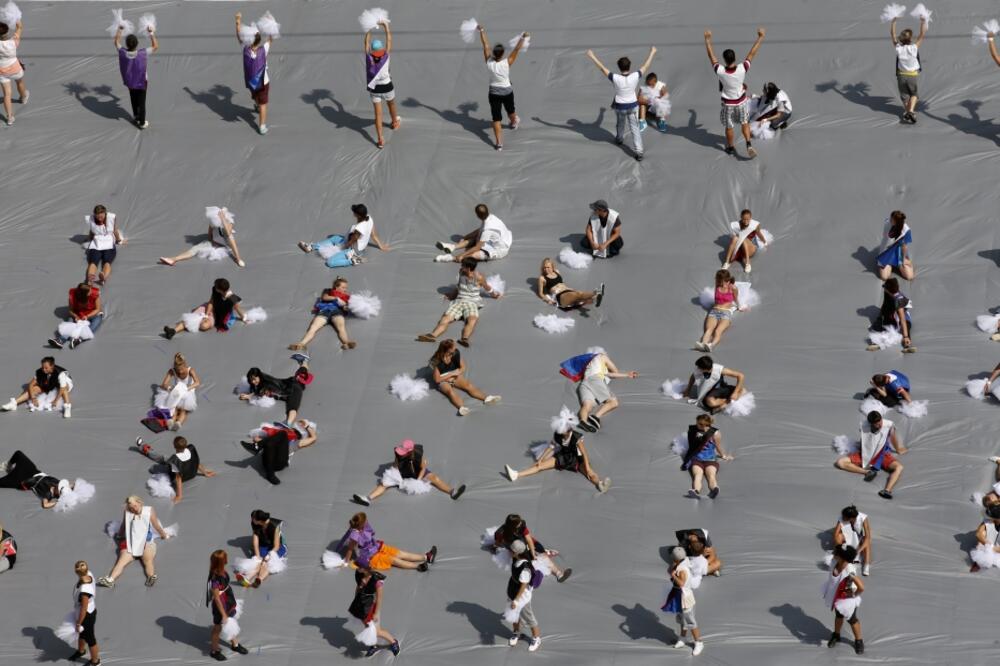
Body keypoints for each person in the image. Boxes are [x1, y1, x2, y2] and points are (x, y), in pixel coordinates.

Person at [584, 46, 657, 160]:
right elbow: (646, 66)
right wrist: (652, 52)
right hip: (633, 106)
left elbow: (602, 68)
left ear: (619, 67)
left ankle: (619, 139)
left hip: (620, 107)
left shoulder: (615, 78)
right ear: (629, 66)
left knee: (620, 124)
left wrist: (592, 56)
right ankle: (639, 152)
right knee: (635, 129)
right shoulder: (635, 76)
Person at [703, 28, 765, 157]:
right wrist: (760, 37)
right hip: (741, 101)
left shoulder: (720, 71)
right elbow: (752, 53)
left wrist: (707, 39)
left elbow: (711, 56)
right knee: (745, 123)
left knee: (729, 127)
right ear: (735, 58)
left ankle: (731, 148)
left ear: (724, 60)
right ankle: (748, 144)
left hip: (728, 104)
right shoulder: (742, 69)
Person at [352, 438, 466, 506]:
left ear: (410, 451)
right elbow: (395, 464)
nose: (402, 453)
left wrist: (417, 480)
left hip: (417, 473)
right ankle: (367, 499)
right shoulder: (398, 453)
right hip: (402, 472)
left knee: (435, 478)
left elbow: (423, 468)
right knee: (384, 484)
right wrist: (394, 475)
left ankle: (452, 492)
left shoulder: (418, 454)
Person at [417, 258, 501, 347]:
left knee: (472, 319)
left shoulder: (479, 277)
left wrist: (494, 295)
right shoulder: (461, 272)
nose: (461, 267)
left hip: (472, 302)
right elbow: (458, 287)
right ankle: (432, 335)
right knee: (446, 318)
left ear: (468, 268)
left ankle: (464, 339)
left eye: (463, 265)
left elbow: (487, 287)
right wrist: (452, 295)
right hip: (459, 301)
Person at [504, 424, 611, 493]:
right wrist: (541, 459)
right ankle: (516, 475)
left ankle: (600, 484)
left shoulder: (577, 436)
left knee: (589, 472)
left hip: (577, 459)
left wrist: (587, 466)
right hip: (563, 457)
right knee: (539, 466)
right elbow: (551, 446)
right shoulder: (558, 435)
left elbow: (584, 453)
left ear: (568, 430)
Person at [97, 496, 171, 588]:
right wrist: (120, 534)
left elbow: (156, 525)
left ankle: (151, 577)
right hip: (130, 544)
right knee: (121, 562)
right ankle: (110, 580)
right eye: (131, 508)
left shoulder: (149, 510)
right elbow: (124, 525)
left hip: (146, 542)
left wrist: (163, 534)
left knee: (148, 561)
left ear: (140, 503)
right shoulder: (127, 511)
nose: (134, 509)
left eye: (135, 506)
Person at [834, 411, 908, 500]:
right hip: (866, 454)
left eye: (880, 422)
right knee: (840, 462)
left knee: (899, 467)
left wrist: (898, 449)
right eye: (876, 424)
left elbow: (893, 438)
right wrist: (861, 448)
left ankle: (887, 490)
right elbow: (865, 438)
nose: (879, 425)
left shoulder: (889, 425)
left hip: (883, 455)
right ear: (871, 424)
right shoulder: (864, 425)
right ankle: (867, 472)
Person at [559, 349, 638, 432]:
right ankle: (595, 417)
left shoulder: (591, 366)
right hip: (595, 380)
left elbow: (610, 374)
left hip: (584, 384)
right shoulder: (602, 356)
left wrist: (626, 375)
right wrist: (627, 374)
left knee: (587, 406)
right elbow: (615, 371)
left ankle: (583, 421)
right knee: (613, 402)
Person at [478, 26, 528, 150]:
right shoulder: (508, 62)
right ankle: (514, 122)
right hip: (507, 91)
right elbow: (517, 49)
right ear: (502, 54)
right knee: (510, 110)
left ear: (493, 53)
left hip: (494, 93)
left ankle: (499, 143)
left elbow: (485, 45)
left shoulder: (489, 62)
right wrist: (523, 37)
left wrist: (482, 31)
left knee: (496, 118)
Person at [296, 204, 390, 268]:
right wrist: (381, 246)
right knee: (334, 238)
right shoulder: (369, 218)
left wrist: (340, 248)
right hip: (349, 241)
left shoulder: (359, 228)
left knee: (330, 262)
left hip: (352, 250)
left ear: (358, 215)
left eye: (354, 212)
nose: (353, 213)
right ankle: (310, 247)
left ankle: (353, 260)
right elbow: (374, 234)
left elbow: (351, 242)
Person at [424, 339, 500, 416]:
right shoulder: (436, 360)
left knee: (468, 385)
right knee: (450, 391)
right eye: (453, 346)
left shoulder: (456, 353)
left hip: (454, 374)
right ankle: (462, 408)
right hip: (442, 378)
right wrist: (451, 375)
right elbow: (437, 379)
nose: (455, 346)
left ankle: (487, 398)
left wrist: (455, 374)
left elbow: (463, 367)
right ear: (448, 349)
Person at [341, 512, 436, 571]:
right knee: (393, 560)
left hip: (377, 546)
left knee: (399, 553)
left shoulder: (365, 526)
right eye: (365, 520)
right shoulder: (355, 536)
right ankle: (418, 566)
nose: (367, 521)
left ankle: (426, 557)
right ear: (361, 524)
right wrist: (346, 562)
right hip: (371, 556)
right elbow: (350, 550)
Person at [492, 514, 572, 582]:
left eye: (520, 522)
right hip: (518, 548)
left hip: (528, 542)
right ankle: (544, 558)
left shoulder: (522, 525)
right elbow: (499, 544)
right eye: (518, 523)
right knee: (531, 562)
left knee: (543, 555)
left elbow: (529, 540)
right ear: (513, 526)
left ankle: (559, 574)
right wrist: (495, 547)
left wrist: (533, 553)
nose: (521, 523)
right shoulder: (501, 533)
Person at [159, 207, 246, 268]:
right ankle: (173, 259)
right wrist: (212, 242)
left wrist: (223, 219)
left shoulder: (230, 222)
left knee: (230, 237)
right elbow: (209, 235)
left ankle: (238, 259)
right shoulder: (213, 222)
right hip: (215, 242)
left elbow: (227, 232)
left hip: (226, 243)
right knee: (195, 249)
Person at [140, 435, 215, 504]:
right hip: (192, 474)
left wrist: (179, 496)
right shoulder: (191, 449)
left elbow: (178, 478)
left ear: (174, 446)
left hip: (181, 477)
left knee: (154, 466)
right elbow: (196, 462)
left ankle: (146, 450)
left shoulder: (175, 460)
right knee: (165, 458)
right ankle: (149, 450)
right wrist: (205, 473)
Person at [240, 419, 318, 485]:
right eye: (291, 430)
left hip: (279, 462)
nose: (290, 432)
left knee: (281, 434)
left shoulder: (296, 442)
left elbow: (313, 437)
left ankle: (256, 447)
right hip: (267, 461)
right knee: (272, 441)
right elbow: (257, 438)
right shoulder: (274, 438)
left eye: (294, 432)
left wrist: (307, 426)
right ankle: (269, 474)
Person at [288, 278, 358, 351]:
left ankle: (346, 342)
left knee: (341, 327)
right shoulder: (328, 291)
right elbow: (325, 297)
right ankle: (301, 344)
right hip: (324, 311)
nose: (345, 289)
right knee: (313, 327)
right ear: (336, 287)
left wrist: (345, 306)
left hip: (337, 312)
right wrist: (336, 298)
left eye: (346, 288)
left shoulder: (346, 297)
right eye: (343, 287)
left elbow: (345, 308)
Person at [163, 278, 246, 339]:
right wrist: (206, 314)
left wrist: (243, 317)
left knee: (203, 326)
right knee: (191, 318)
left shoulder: (232, 298)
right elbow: (211, 302)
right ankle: (173, 331)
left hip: (218, 315)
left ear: (220, 290)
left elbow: (237, 308)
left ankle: (193, 324)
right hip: (209, 308)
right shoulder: (215, 290)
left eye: (216, 286)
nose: (214, 286)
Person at [239, 356, 312, 424]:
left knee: (292, 406)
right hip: (289, 382)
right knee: (300, 372)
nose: (253, 382)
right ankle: (304, 361)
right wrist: (249, 396)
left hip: (294, 387)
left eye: (254, 379)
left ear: (259, 377)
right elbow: (258, 392)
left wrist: (250, 396)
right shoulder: (262, 382)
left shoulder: (268, 384)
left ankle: (288, 424)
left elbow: (261, 392)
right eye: (251, 380)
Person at [207, 549, 250, 660]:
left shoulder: (222, 571)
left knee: (230, 624)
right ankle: (214, 650)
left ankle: (235, 645)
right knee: (217, 628)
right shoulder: (215, 579)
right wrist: (223, 615)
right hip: (221, 606)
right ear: (222, 562)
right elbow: (216, 599)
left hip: (227, 601)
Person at [114, 21, 158, 128]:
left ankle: (136, 116)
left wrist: (120, 29)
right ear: (137, 44)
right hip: (142, 81)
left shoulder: (122, 52)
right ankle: (142, 123)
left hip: (130, 81)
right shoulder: (143, 53)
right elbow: (155, 46)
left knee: (133, 98)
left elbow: (116, 42)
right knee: (142, 102)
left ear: (127, 44)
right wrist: (151, 33)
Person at [822, 545, 865, 654]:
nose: (834, 554)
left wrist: (854, 595)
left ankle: (859, 640)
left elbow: (861, 587)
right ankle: (836, 635)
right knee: (838, 615)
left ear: (842, 558)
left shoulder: (849, 571)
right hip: (836, 595)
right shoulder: (834, 562)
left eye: (837, 553)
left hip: (846, 599)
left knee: (852, 619)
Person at [661, 546, 704, 656]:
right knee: (681, 618)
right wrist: (673, 569)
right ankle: (682, 638)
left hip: (685, 598)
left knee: (690, 621)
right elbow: (669, 570)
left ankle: (698, 642)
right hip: (678, 596)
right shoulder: (679, 564)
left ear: (675, 558)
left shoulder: (683, 569)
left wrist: (674, 576)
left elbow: (681, 583)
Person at [350, 566, 400, 657]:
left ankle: (393, 642)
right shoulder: (359, 574)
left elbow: (379, 598)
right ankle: (374, 645)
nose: (357, 567)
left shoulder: (377, 581)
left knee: (377, 631)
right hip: (362, 606)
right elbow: (358, 588)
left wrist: (376, 613)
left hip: (371, 607)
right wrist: (356, 600)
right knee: (368, 628)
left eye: (360, 565)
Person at [680, 414, 733, 499]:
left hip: (710, 460)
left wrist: (723, 455)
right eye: (698, 423)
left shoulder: (715, 433)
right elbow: (692, 444)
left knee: (711, 475)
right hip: (697, 460)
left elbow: (718, 446)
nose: (699, 425)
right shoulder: (694, 430)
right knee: (698, 475)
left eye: (702, 424)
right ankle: (695, 491)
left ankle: (714, 490)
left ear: (707, 424)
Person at [435, 204, 512, 263]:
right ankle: (453, 247)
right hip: (495, 241)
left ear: (478, 215)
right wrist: (465, 237)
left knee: (476, 255)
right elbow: (479, 230)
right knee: (476, 238)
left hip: (500, 250)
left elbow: (477, 247)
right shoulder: (491, 217)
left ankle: (451, 258)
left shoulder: (487, 229)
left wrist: (462, 255)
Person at [365, 19, 399, 148]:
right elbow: (389, 40)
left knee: (378, 115)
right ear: (382, 48)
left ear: (372, 49)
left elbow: (366, 42)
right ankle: (394, 122)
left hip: (375, 89)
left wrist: (369, 28)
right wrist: (386, 26)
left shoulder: (369, 57)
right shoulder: (386, 55)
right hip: (387, 86)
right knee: (391, 105)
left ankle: (380, 139)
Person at [236, 12, 272, 134]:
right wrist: (270, 24)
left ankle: (256, 104)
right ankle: (262, 126)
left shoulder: (245, 49)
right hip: (263, 82)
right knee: (264, 104)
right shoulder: (264, 49)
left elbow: (239, 37)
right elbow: (271, 39)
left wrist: (238, 22)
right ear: (259, 39)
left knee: (256, 96)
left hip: (251, 81)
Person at [1, 357, 73, 417]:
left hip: (62, 385)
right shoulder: (40, 372)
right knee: (34, 389)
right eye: (42, 367)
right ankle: (14, 404)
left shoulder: (61, 373)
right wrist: (33, 398)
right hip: (50, 383)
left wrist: (55, 401)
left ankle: (67, 407)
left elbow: (62, 388)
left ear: (52, 366)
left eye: (46, 368)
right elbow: (31, 385)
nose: (44, 369)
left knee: (64, 387)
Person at [0, 450, 71, 509]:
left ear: (58, 493)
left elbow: (45, 505)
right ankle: (8, 466)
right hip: (32, 471)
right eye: (60, 485)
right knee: (18, 454)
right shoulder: (58, 483)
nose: (59, 485)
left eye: (59, 488)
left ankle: (11, 473)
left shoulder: (48, 495)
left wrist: (58, 503)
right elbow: (72, 485)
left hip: (21, 481)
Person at [506, 540, 543, 652]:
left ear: (516, 553)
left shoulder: (525, 568)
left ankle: (536, 638)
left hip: (522, 596)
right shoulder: (515, 558)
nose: (508, 551)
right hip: (512, 590)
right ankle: (516, 633)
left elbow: (523, 586)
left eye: (511, 550)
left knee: (528, 617)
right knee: (514, 615)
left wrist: (516, 601)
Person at [890, 14, 926, 124]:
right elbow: (922, 34)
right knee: (914, 94)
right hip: (912, 76)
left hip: (901, 76)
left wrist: (893, 21)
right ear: (910, 38)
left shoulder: (898, 48)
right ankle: (910, 111)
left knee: (905, 97)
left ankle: (907, 113)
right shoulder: (914, 48)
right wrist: (923, 22)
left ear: (901, 38)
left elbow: (892, 34)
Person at [237, 510, 286, 588]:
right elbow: (255, 539)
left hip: (276, 547)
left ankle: (259, 578)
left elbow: (276, 545)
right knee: (259, 561)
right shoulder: (254, 523)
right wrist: (257, 555)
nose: (251, 520)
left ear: (259, 520)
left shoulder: (274, 525)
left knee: (267, 563)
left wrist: (269, 555)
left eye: (253, 519)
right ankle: (247, 578)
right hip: (264, 545)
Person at [696, 269, 742, 352]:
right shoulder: (717, 285)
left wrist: (739, 307)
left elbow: (736, 299)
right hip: (714, 311)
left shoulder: (733, 288)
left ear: (726, 279)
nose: (719, 282)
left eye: (720, 280)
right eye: (718, 280)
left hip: (725, 313)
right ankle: (702, 344)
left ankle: (711, 346)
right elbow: (716, 298)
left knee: (717, 331)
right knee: (709, 329)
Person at [49, 283, 104, 349]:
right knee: (69, 325)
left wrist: (87, 316)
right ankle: (60, 340)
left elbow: (98, 309)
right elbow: (70, 310)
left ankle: (79, 339)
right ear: (84, 294)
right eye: (89, 291)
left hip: (92, 313)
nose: (91, 291)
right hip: (78, 314)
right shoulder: (72, 295)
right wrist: (75, 316)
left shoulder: (95, 293)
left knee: (97, 320)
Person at [866, 278, 914, 352]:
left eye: (885, 288)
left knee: (907, 325)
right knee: (880, 324)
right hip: (889, 315)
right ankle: (877, 342)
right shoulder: (887, 292)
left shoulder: (899, 300)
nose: (884, 289)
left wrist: (906, 336)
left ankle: (907, 343)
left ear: (889, 291)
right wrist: (880, 316)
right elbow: (884, 305)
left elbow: (902, 319)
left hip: (902, 317)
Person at [536, 257, 604, 310]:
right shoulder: (542, 278)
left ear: (552, 267)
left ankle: (596, 297)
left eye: (548, 267)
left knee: (581, 295)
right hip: (560, 296)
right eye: (544, 267)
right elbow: (541, 293)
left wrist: (568, 289)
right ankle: (597, 292)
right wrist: (548, 300)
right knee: (578, 294)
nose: (546, 269)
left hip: (567, 290)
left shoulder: (557, 271)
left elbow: (562, 283)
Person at [156, 353, 200, 430]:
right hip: (177, 391)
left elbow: (197, 383)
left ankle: (178, 423)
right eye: (178, 369)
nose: (180, 371)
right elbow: (164, 384)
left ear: (185, 365)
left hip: (188, 391)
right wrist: (170, 388)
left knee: (183, 410)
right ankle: (171, 421)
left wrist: (186, 388)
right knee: (174, 407)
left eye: (182, 369)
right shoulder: (172, 371)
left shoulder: (190, 370)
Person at [68, 561, 100, 665]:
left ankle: (95, 662)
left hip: (87, 615)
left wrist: (78, 623)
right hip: (86, 612)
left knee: (90, 639)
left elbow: (84, 608)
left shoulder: (84, 591)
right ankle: (81, 651)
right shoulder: (88, 574)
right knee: (82, 634)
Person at [85, 205, 126, 285]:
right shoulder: (92, 219)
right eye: (98, 216)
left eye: (102, 215)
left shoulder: (110, 218)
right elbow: (92, 230)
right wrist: (89, 238)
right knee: (93, 262)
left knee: (107, 262)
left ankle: (103, 276)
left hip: (108, 244)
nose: (100, 217)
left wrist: (119, 240)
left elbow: (114, 230)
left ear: (105, 213)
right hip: (97, 244)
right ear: (95, 215)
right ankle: (90, 279)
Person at [0, 17, 28, 126]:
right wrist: (17, 18)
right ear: (7, 31)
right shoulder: (13, 41)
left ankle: (10, 118)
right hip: (15, 68)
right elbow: (19, 27)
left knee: (7, 94)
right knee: (20, 82)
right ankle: (23, 98)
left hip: (1, 71)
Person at [833, 506, 872, 576]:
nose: (843, 518)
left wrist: (858, 551)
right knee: (839, 536)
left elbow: (868, 537)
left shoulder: (863, 518)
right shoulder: (842, 517)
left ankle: (866, 564)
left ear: (851, 518)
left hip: (859, 538)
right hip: (848, 536)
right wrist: (841, 548)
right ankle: (841, 555)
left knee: (866, 541)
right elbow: (836, 534)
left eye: (844, 517)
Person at [876, 211, 915, 281]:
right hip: (887, 252)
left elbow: (904, 247)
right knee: (884, 277)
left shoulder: (906, 231)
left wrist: (903, 260)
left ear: (897, 222)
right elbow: (885, 240)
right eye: (890, 218)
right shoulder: (887, 223)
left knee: (909, 277)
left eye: (892, 220)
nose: (889, 220)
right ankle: (890, 265)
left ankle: (900, 264)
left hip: (899, 252)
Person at [971, 504, 1000, 573]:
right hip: (992, 544)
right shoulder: (989, 521)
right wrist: (988, 545)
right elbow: (978, 534)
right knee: (982, 536)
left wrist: (994, 549)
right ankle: (979, 563)